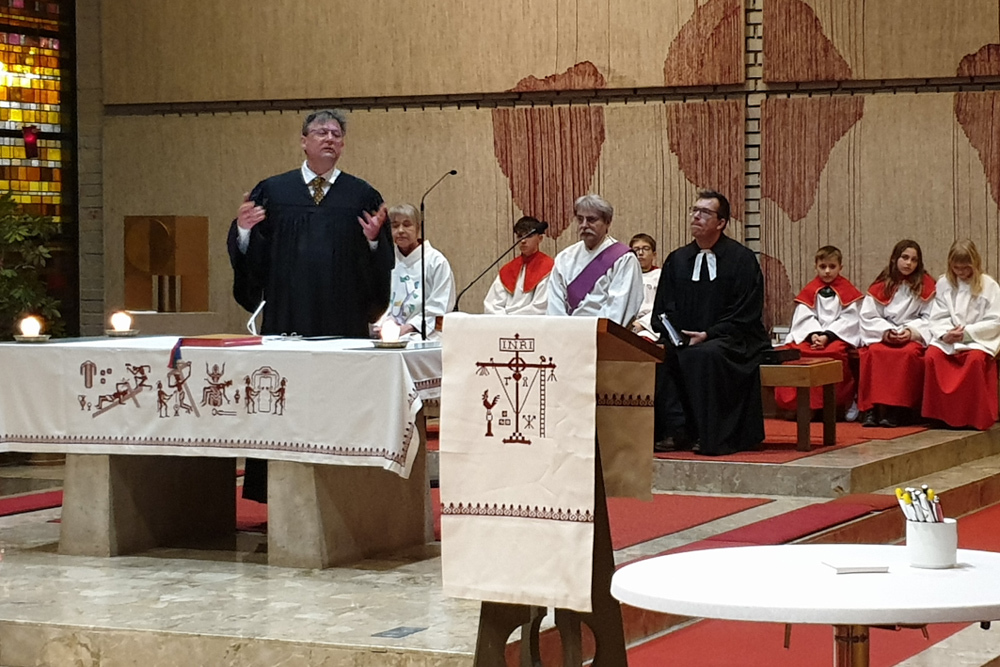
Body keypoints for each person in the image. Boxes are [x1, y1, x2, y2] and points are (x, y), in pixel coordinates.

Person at [226, 108, 392, 503]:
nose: (329, 138)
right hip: (288, 315)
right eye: (321, 132)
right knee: (283, 401)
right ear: (304, 141)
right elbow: (251, 257)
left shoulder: (361, 196)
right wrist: (243, 231)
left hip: (342, 320)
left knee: (339, 403)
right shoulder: (274, 192)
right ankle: (279, 492)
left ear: (343, 145)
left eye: (336, 134)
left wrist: (373, 242)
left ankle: (344, 492)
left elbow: (380, 261)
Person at [651, 190, 770, 455]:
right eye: (694, 210)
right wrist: (675, 334)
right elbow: (663, 308)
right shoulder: (678, 259)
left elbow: (746, 310)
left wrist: (709, 333)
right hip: (685, 338)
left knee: (705, 355)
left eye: (705, 212)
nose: (696, 216)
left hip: (733, 338)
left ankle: (711, 434)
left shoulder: (741, 259)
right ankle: (676, 431)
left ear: (721, 222)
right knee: (660, 355)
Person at [774, 246, 862, 419]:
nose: (827, 271)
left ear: (840, 267)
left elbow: (849, 319)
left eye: (832, 266)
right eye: (823, 266)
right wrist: (813, 334)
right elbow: (804, 316)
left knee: (835, 353)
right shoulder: (810, 290)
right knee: (794, 352)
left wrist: (827, 336)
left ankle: (833, 404)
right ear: (816, 267)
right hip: (812, 337)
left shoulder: (848, 291)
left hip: (835, 336)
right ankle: (801, 405)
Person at [921, 239, 1000, 431]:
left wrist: (967, 333)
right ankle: (940, 415)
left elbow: (995, 320)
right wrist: (944, 334)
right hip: (949, 338)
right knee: (932, 356)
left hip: (977, 339)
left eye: (966, 268)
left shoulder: (989, 286)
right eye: (957, 268)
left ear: (975, 263)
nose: (961, 273)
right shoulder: (944, 283)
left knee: (974, 360)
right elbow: (938, 314)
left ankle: (972, 415)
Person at [857, 240, 935, 427]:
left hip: (910, 335)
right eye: (905, 258)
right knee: (874, 352)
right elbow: (868, 315)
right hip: (885, 333)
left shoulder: (926, 285)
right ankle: (871, 409)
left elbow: (930, 317)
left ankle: (898, 410)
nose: (909, 263)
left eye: (914, 260)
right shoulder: (881, 285)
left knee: (908, 354)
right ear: (895, 259)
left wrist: (910, 332)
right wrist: (885, 332)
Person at [546, 194, 643, 325]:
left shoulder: (624, 259)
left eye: (591, 220)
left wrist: (591, 331)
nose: (584, 225)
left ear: (607, 222)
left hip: (602, 333)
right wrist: (563, 330)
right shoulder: (564, 258)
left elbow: (619, 308)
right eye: (580, 219)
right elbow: (555, 304)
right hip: (567, 332)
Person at [374, 203, 456, 340]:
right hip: (385, 334)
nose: (400, 230)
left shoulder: (436, 261)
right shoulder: (386, 259)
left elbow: (439, 308)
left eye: (407, 225)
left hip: (422, 335)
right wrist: (381, 325)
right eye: (395, 226)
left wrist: (409, 327)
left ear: (418, 228)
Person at [482, 216, 553, 315]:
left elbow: (540, 307)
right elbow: (491, 305)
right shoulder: (508, 269)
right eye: (520, 236)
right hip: (505, 322)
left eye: (528, 236)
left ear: (540, 238)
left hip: (531, 322)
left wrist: (512, 319)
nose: (523, 241)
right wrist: (505, 320)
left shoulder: (548, 267)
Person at [629, 233, 661, 341]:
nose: (640, 253)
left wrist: (642, 324)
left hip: (650, 326)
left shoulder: (661, 276)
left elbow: (662, 307)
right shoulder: (625, 278)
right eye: (636, 249)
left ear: (654, 254)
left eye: (645, 249)